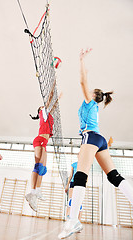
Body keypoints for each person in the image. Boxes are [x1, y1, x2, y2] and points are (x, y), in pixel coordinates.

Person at [58, 49, 133, 239]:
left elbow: (82, 81)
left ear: (93, 95)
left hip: (90, 137)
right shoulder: (94, 106)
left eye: (90, 91)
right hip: (100, 139)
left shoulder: (89, 101)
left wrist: (81, 61)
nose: (87, 91)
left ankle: (73, 219)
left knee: (80, 177)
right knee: (114, 176)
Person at [26, 80, 62, 212]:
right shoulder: (43, 113)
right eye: (43, 106)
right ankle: (35, 192)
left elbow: (53, 104)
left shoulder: (48, 116)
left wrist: (58, 98)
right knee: (40, 167)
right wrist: (53, 84)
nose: (45, 107)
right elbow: (50, 99)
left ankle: (34, 192)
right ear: (41, 110)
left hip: (41, 141)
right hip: (40, 140)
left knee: (41, 167)